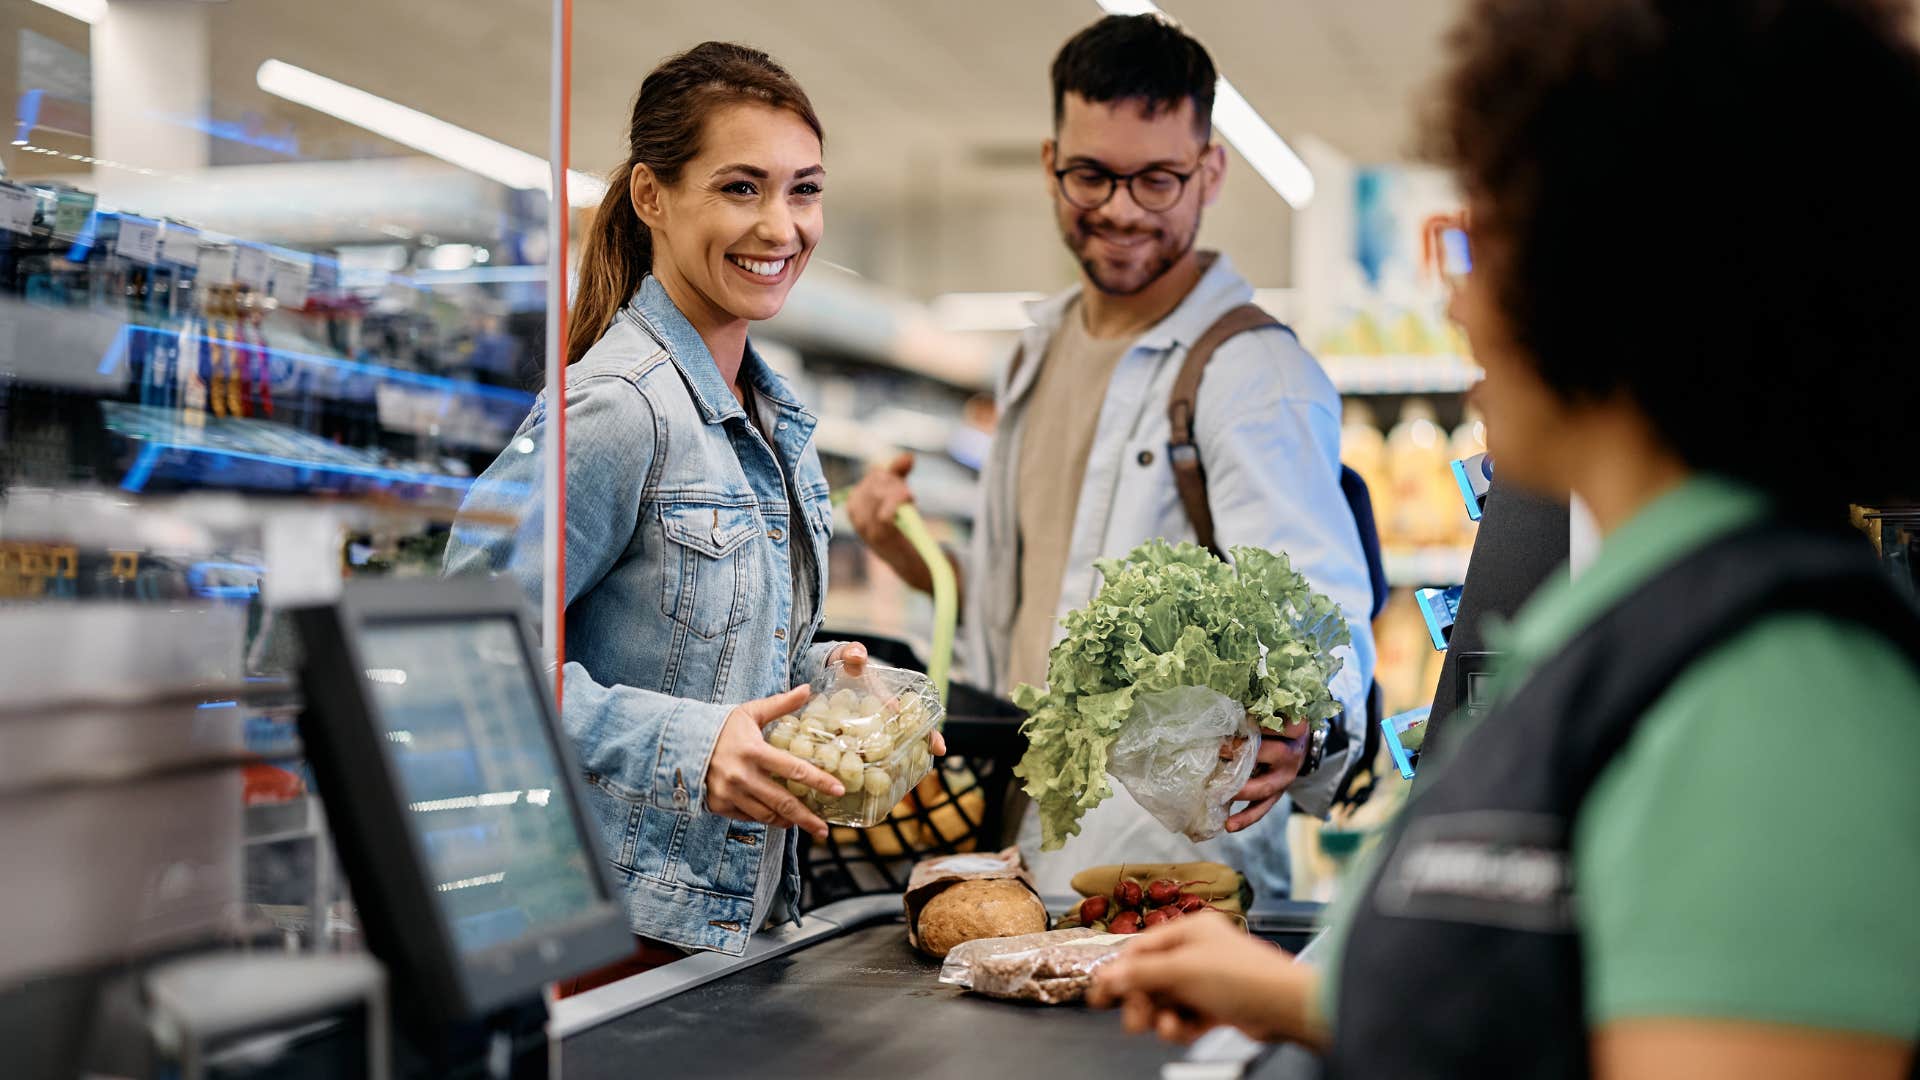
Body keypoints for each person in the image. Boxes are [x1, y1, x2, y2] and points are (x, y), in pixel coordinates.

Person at [1089, 1, 1920, 1076]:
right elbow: (1548, 1007)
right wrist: (1297, 998)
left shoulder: (1776, 691)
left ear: (1624, 280)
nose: (1460, 299)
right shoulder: (1628, 619)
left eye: (1490, 241)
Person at [847, 14, 1375, 900]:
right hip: (1015, 847)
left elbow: (1320, 620)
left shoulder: (1251, 373)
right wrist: (922, 560)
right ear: (1052, 161)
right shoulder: (1037, 349)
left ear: (1210, 171)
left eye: (1157, 178)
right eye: (1092, 175)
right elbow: (1046, 618)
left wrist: (1306, 732)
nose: (1121, 208)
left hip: (1167, 875)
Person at [446, 42, 939, 982]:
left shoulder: (771, 414)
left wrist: (826, 685)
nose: (781, 226)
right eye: (742, 188)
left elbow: (685, 649)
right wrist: (690, 744)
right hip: (606, 930)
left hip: (723, 929)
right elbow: (464, 659)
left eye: (804, 190)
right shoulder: (618, 406)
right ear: (651, 197)